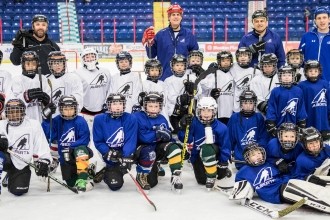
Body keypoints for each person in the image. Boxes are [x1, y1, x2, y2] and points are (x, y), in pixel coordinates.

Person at [229, 142, 330, 214]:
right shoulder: (244, 171)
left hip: (286, 182)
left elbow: (288, 175)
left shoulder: (270, 163)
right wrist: (244, 193)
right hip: (275, 192)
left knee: (309, 183)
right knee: (301, 190)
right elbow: (241, 188)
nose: (258, 156)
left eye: (259, 153)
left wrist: (305, 177)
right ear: (247, 157)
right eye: (254, 155)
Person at [0, 99, 52, 196]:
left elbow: (42, 146)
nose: (14, 114)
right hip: (5, 159)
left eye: (17, 111)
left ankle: (10, 175)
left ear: (23, 112)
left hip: (21, 162)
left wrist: (44, 162)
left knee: (18, 191)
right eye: (11, 112)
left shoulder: (33, 125)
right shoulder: (1, 125)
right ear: (6, 113)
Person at [178, 97, 231, 190]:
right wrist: (183, 127)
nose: (206, 113)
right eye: (203, 110)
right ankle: (209, 173)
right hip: (198, 155)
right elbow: (185, 139)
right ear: (199, 112)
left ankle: (218, 173)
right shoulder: (194, 123)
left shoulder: (222, 127)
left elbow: (225, 146)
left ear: (214, 112)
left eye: (209, 110)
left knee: (219, 175)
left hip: (216, 156)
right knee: (202, 181)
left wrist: (223, 161)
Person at [134, 92, 183, 192]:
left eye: (156, 106)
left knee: (174, 148)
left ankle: (175, 176)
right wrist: (157, 134)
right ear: (144, 105)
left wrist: (174, 142)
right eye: (150, 106)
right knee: (152, 183)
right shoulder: (137, 117)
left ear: (160, 107)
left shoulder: (162, 118)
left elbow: (167, 136)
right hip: (143, 149)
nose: (153, 109)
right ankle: (141, 175)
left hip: (157, 147)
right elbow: (143, 137)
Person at [42, 95, 92, 192]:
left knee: (80, 149)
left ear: (75, 109)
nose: (68, 111)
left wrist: (70, 148)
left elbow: (84, 140)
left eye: (71, 108)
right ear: (60, 109)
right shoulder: (57, 120)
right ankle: (89, 171)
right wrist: (46, 120)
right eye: (65, 109)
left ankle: (82, 178)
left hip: (78, 153)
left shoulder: (80, 121)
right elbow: (49, 136)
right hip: (64, 157)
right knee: (71, 183)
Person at [142, 3, 199, 80]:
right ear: (169, 17)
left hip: (184, 79)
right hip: (164, 78)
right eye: (173, 15)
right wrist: (149, 43)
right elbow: (151, 55)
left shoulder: (189, 35)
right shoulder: (160, 34)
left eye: (178, 14)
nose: (176, 17)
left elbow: (195, 57)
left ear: (181, 17)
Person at [93, 94, 137, 191]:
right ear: (108, 105)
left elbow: (131, 140)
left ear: (124, 105)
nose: (117, 106)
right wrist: (108, 152)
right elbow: (98, 141)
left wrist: (126, 157)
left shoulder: (131, 118)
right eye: (114, 104)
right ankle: (108, 170)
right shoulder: (99, 119)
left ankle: (144, 173)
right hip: (108, 152)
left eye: (120, 104)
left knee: (141, 153)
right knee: (115, 185)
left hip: (124, 151)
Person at [227, 89, 269, 170]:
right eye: (245, 103)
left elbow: (263, 137)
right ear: (241, 104)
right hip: (241, 159)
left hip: (256, 156)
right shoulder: (234, 117)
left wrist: (258, 151)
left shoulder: (259, 117)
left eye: (251, 103)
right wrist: (227, 153)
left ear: (254, 104)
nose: (248, 106)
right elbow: (229, 138)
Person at [266, 65, 307, 137]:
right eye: (284, 75)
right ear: (280, 77)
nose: (287, 77)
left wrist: (301, 123)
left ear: (293, 76)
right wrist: (271, 125)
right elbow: (271, 109)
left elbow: (301, 109)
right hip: (278, 126)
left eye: (289, 75)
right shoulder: (275, 91)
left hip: (294, 128)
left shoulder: (298, 91)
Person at [74, 47, 111, 130]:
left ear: (96, 57)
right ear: (82, 59)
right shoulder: (77, 73)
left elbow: (109, 90)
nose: (90, 59)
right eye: (87, 57)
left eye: (92, 56)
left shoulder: (105, 71)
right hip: (85, 113)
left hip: (102, 113)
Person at [11, 51, 53, 122]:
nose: (31, 66)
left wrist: (47, 102)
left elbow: (49, 101)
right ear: (23, 65)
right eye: (28, 63)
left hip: (41, 120)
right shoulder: (16, 80)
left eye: (33, 63)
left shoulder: (43, 79)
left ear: (37, 64)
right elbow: (13, 103)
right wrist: (26, 96)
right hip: (24, 121)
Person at [297, 60, 330, 144]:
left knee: (325, 144)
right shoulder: (301, 85)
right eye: (310, 71)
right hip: (309, 119)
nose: (313, 73)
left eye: (315, 71)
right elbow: (300, 104)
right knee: (310, 143)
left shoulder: (325, 84)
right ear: (306, 72)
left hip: (324, 121)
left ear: (319, 72)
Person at [198, 50, 234, 124]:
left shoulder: (234, 73)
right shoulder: (213, 74)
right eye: (223, 60)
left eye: (228, 60)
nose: (226, 62)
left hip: (231, 109)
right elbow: (204, 87)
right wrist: (211, 94)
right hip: (218, 110)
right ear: (219, 62)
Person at [164, 54, 196, 133]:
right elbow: (168, 97)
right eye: (177, 65)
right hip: (174, 112)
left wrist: (193, 90)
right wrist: (179, 99)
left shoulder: (192, 77)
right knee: (176, 132)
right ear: (172, 66)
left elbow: (199, 93)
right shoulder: (168, 80)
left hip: (189, 110)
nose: (179, 67)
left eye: (182, 65)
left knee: (190, 132)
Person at [299, 6, 330, 84]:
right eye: (319, 18)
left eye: (324, 17)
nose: (322, 21)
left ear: (329, 19)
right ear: (315, 21)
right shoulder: (306, 37)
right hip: (309, 82)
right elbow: (300, 59)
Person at [47, 51, 83, 115]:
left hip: (68, 115)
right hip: (52, 117)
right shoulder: (46, 80)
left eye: (60, 62)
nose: (57, 65)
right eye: (54, 63)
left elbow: (78, 98)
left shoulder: (73, 78)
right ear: (50, 65)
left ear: (64, 64)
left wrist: (71, 113)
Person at [231, 47, 261, 113]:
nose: (243, 58)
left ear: (249, 57)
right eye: (240, 56)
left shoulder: (256, 72)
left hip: (251, 106)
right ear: (237, 58)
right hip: (236, 107)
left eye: (245, 55)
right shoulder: (233, 68)